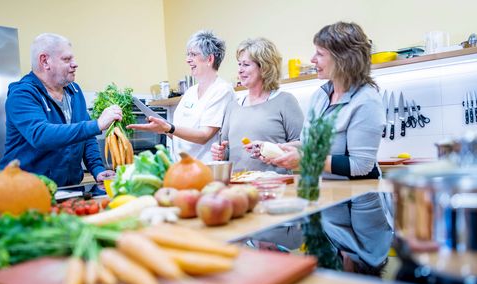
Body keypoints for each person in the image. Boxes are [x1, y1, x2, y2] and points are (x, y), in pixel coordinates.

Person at [264, 22, 386, 179]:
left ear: (343, 59)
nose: (312, 59)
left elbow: (361, 165)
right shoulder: (320, 96)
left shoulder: (366, 101)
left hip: (358, 199)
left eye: (320, 54)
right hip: (328, 191)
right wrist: (280, 150)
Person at [0, 33, 122, 187]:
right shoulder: (22, 95)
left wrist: (97, 169)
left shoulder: (74, 91)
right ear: (45, 61)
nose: (75, 64)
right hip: (24, 190)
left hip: (68, 189)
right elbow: (41, 135)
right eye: (67, 59)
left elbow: (87, 137)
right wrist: (97, 125)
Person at [127, 30, 235, 162]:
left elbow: (204, 135)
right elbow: (178, 134)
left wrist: (168, 128)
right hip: (181, 168)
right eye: (188, 54)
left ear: (210, 59)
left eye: (193, 54)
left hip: (205, 170)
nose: (188, 60)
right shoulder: (190, 92)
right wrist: (162, 129)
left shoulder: (222, 90)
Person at [210, 38, 303, 173]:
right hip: (239, 185)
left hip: (274, 185)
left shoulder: (285, 101)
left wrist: (271, 149)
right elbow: (226, 151)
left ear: (264, 67)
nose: (240, 70)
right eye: (239, 64)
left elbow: (302, 146)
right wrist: (220, 153)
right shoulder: (232, 107)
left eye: (246, 65)